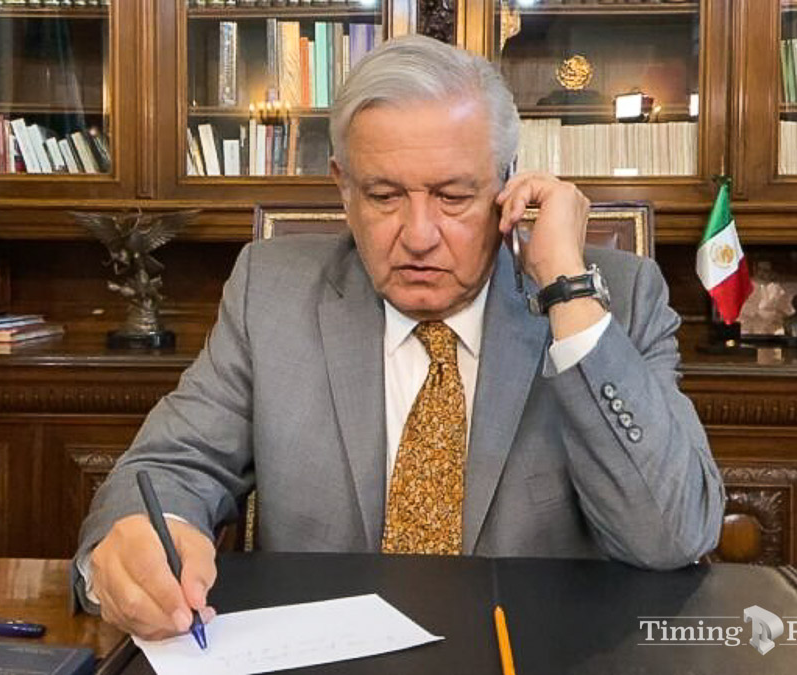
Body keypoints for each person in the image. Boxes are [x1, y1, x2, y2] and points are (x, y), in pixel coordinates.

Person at [73, 36, 725, 639]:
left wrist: (566, 291)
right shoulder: (270, 294)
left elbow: (670, 536)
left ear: (507, 185)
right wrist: (141, 542)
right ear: (343, 187)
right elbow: (167, 468)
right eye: (384, 195)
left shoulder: (614, 299)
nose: (418, 235)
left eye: (453, 196)